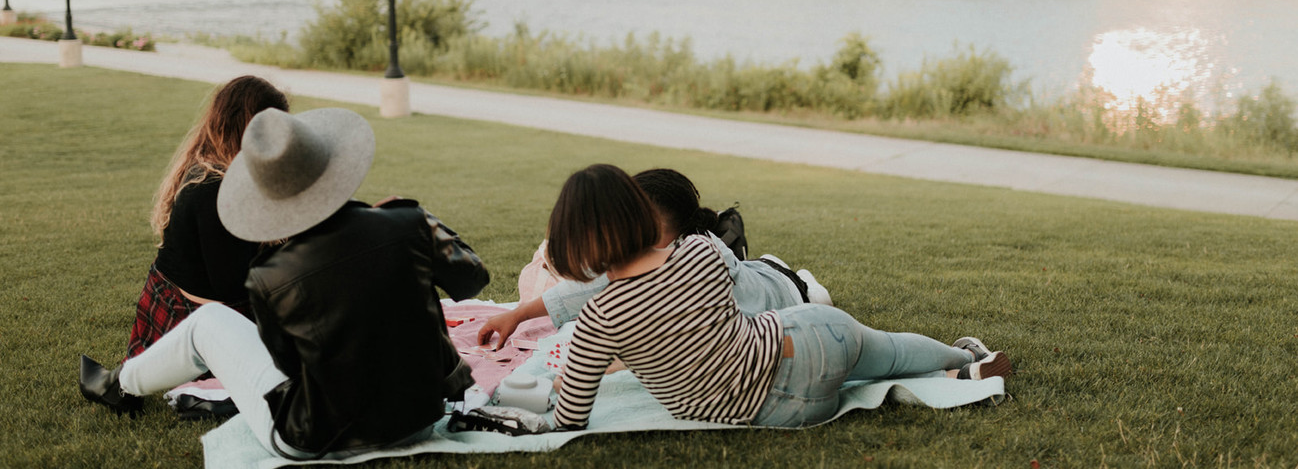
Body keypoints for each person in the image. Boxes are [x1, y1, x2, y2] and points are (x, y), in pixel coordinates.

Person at [78, 107, 488, 459]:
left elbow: (290, 373)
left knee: (209, 322)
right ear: (334, 164)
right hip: (421, 419)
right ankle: (128, 386)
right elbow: (473, 280)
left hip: (316, 439)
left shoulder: (270, 277)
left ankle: (119, 385)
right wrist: (417, 225)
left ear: (267, 200)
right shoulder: (407, 221)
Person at [540, 164, 1010, 430]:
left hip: (790, 412)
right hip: (809, 340)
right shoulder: (701, 250)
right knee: (885, 350)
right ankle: (963, 359)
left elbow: (570, 417)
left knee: (865, 369)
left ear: (571, 243)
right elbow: (690, 324)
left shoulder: (599, 319)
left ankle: (957, 368)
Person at [478, 168, 831, 350]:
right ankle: (770, 263)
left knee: (816, 297)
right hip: (756, 272)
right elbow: (587, 289)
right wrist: (518, 314)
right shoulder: (647, 254)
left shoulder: (700, 261)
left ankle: (797, 275)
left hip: (787, 291)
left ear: (674, 232)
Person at [124, 75, 289, 359]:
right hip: (190, 318)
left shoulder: (222, 169)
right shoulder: (213, 187)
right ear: (245, 126)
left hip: (206, 306)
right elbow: (233, 286)